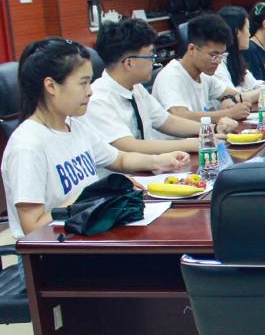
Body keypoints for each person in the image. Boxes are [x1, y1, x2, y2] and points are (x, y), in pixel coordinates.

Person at [1, 38, 189, 240]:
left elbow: (119, 159)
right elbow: (32, 228)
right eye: (83, 83)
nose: (90, 91)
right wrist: (89, 195)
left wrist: (159, 160)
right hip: (54, 249)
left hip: (88, 235)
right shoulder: (28, 146)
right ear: (51, 86)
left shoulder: (74, 126)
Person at [82, 18, 236, 155]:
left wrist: (212, 129)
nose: (154, 62)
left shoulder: (136, 89)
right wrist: (197, 143)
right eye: (151, 56)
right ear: (129, 63)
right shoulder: (98, 100)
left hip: (151, 169)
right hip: (122, 177)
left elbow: (167, 121)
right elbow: (130, 146)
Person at [152, 13, 256, 124]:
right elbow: (180, 116)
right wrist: (228, 113)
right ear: (192, 49)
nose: (218, 61)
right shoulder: (170, 77)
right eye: (213, 55)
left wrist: (227, 99)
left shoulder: (203, 75)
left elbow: (231, 93)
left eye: (222, 55)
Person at [215, 6, 265, 93]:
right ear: (237, 32)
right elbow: (236, 97)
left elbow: (253, 86)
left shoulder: (236, 58)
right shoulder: (218, 63)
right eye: (247, 29)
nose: (249, 34)